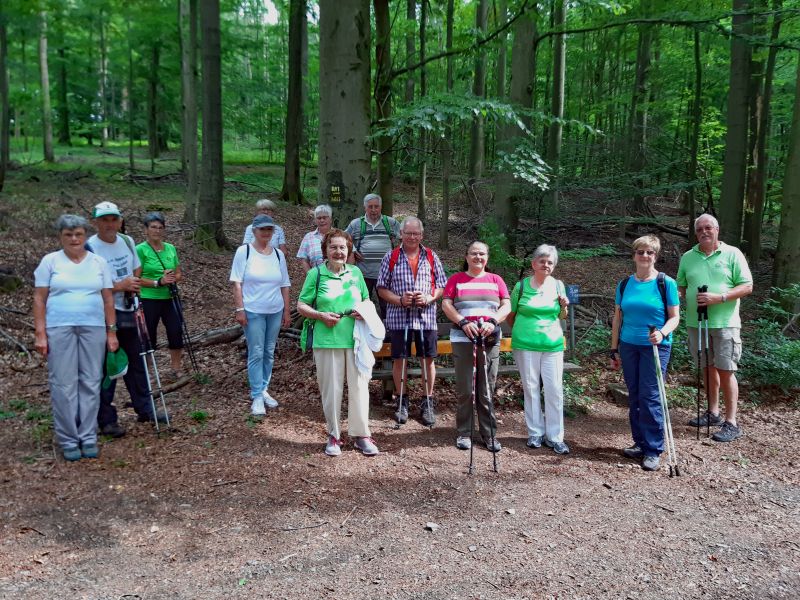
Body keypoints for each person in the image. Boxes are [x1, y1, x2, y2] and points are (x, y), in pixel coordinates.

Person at [33, 214, 118, 461]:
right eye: (68, 234)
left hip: (93, 327)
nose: (73, 239)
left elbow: (108, 299)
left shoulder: (98, 262)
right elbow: (39, 299)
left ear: (84, 235)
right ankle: (68, 438)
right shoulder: (50, 262)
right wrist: (40, 333)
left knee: (91, 381)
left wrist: (111, 331)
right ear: (61, 237)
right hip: (59, 328)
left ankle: (88, 435)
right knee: (63, 383)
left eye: (78, 234)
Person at [297, 229, 379, 457]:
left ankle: (362, 435)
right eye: (333, 247)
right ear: (326, 250)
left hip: (355, 340)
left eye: (343, 247)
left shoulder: (355, 273)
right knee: (331, 390)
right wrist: (321, 315)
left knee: (360, 387)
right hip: (326, 340)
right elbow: (301, 305)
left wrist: (363, 312)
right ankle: (334, 435)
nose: (338, 251)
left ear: (349, 250)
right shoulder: (316, 274)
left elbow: (366, 300)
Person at [677, 214, 753, 443]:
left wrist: (719, 297)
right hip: (695, 322)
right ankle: (713, 412)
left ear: (717, 229)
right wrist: (680, 297)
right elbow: (681, 284)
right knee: (707, 367)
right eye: (699, 228)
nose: (704, 231)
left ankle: (732, 422)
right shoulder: (688, 257)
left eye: (708, 227)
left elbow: (747, 286)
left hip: (725, 323)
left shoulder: (732, 254)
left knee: (726, 369)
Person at [88, 201, 162, 435]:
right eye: (104, 220)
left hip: (130, 309)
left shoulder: (127, 241)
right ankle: (106, 419)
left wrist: (133, 283)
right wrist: (120, 285)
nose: (110, 224)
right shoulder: (90, 247)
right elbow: (90, 285)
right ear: (96, 222)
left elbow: (136, 267)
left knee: (136, 362)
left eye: (113, 219)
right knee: (107, 366)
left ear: (120, 220)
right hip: (102, 314)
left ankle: (144, 408)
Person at [609, 235, 680, 471]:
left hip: (655, 347)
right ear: (634, 255)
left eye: (649, 252)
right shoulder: (624, 284)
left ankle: (653, 449)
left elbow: (675, 317)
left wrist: (661, 333)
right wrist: (613, 348)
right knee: (635, 395)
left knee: (650, 396)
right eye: (640, 252)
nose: (645, 256)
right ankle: (639, 443)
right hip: (629, 345)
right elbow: (618, 318)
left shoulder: (665, 283)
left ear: (655, 256)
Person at [377, 217, 447, 426]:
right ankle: (401, 400)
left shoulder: (432, 257)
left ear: (422, 235)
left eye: (416, 233)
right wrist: (400, 300)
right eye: (408, 233)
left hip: (426, 319)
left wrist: (430, 297)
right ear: (401, 234)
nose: (412, 237)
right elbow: (381, 288)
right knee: (400, 359)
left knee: (428, 359)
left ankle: (428, 401)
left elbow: (442, 286)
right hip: (399, 319)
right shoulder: (391, 257)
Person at [442, 241, 511, 452]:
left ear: (487, 257)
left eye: (482, 254)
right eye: (473, 253)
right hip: (463, 339)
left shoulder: (496, 280)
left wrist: (493, 322)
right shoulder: (456, 279)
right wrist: (463, 322)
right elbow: (446, 304)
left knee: (486, 388)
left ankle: (489, 434)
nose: (478, 257)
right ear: (466, 256)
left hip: (489, 340)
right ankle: (464, 432)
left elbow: (506, 305)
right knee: (465, 389)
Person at [507, 244, 571, 455]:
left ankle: (555, 437)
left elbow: (562, 317)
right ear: (534, 264)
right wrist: (524, 331)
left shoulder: (559, 286)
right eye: (542, 261)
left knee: (554, 389)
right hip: (525, 344)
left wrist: (564, 306)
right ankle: (535, 433)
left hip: (552, 344)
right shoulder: (521, 286)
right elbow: (511, 314)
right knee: (531, 387)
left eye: (550, 262)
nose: (546, 265)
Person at [230, 214, 291, 415]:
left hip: (275, 310)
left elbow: (285, 284)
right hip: (253, 310)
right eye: (262, 229)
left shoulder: (278, 255)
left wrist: (287, 311)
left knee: (269, 351)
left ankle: (264, 388)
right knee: (256, 351)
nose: (266, 233)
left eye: (269, 229)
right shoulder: (244, 251)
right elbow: (237, 282)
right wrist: (240, 309)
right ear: (254, 231)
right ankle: (256, 395)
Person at [136, 212, 185, 378]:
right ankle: (149, 371)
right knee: (149, 333)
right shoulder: (140, 250)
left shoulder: (170, 248)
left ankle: (176, 368)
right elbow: (136, 278)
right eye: (153, 227)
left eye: (160, 227)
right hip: (149, 298)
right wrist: (158, 281)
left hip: (170, 298)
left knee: (176, 330)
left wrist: (171, 277)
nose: (157, 231)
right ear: (146, 230)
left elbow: (179, 273)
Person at [345, 193, 400, 317]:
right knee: (362, 305)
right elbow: (343, 237)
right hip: (363, 273)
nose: (374, 210)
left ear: (381, 207)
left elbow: (405, 236)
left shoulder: (390, 222)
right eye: (370, 207)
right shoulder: (356, 224)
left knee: (387, 305)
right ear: (365, 208)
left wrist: (398, 253)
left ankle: (388, 332)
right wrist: (353, 250)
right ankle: (363, 333)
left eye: (376, 206)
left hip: (386, 274)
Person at [297, 204, 333, 273]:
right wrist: (311, 276)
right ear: (315, 221)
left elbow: (350, 256)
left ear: (330, 219)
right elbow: (303, 260)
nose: (322, 220)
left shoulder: (340, 234)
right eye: (319, 218)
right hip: (317, 278)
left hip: (338, 278)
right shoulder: (308, 237)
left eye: (324, 217)